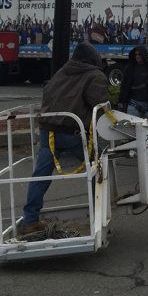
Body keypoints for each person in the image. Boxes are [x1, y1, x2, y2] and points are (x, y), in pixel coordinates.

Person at [17, 41, 108, 236]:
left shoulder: (62, 71)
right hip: (71, 131)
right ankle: (97, 215)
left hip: (47, 130)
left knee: (41, 175)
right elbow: (100, 105)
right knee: (98, 165)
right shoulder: (95, 75)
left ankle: (30, 220)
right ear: (93, 59)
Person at [118, 45, 148, 118]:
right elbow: (124, 86)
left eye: (139, 54)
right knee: (133, 127)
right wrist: (121, 101)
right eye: (136, 54)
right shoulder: (130, 68)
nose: (137, 56)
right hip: (134, 104)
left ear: (144, 54)